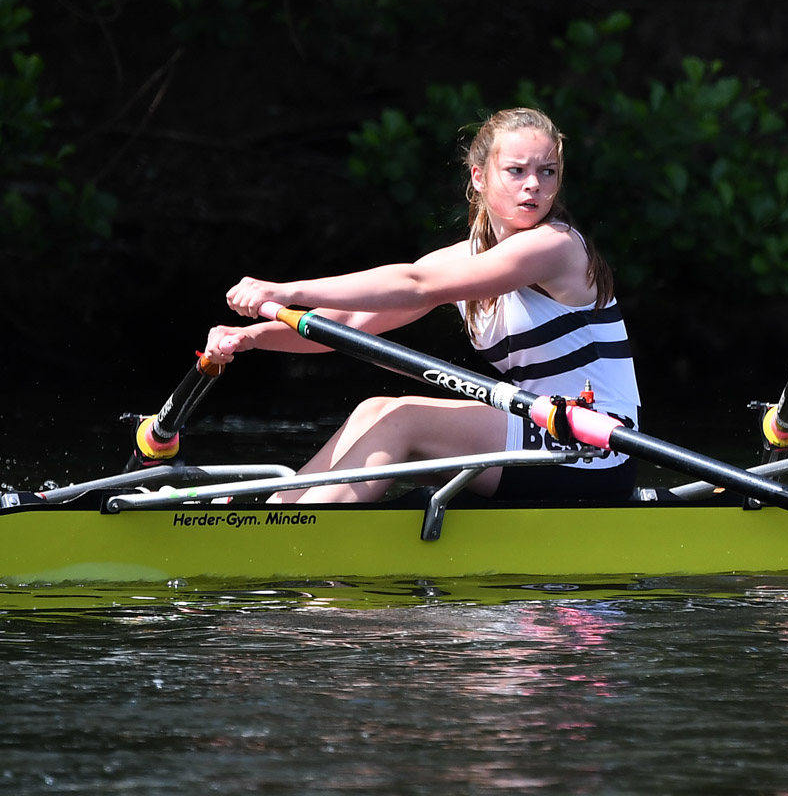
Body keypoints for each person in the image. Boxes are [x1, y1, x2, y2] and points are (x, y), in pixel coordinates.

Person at [207, 107, 640, 504]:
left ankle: (298, 541)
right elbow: (350, 322)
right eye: (516, 171)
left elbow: (416, 284)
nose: (534, 185)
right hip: (543, 431)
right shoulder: (467, 258)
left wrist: (287, 292)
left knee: (405, 418)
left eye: (547, 172)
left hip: (595, 447)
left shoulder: (555, 246)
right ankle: (276, 514)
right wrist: (249, 337)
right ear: (479, 177)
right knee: (375, 409)